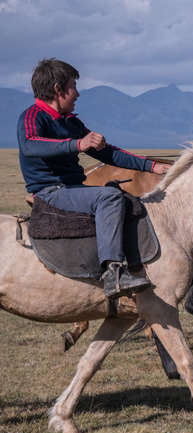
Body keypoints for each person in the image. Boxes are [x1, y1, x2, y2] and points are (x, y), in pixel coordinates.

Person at [17, 59, 171, 297]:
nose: (77, 94)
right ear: (58, 89)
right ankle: (114, 273)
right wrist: (78, 144)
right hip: (51, 192)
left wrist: (152, 166)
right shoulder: (33, 116)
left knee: (123, 197)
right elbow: (30, 145)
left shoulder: (70, 122)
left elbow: (108, 152)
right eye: (73, 87)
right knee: (109, 197)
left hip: (73, 189)